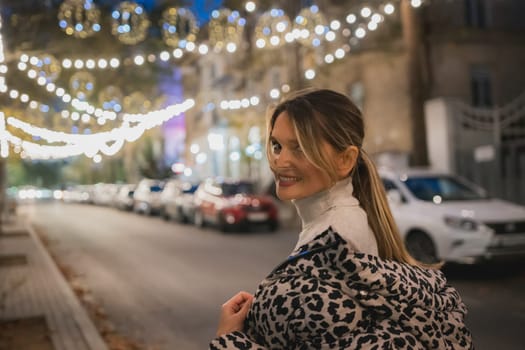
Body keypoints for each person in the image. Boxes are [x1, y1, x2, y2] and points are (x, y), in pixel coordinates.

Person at [210, 88, 473, 349]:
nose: (280, 161)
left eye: (300, 148)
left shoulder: (337, 237)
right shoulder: (332, 228)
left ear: (345, 160)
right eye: (277, 146)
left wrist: (229, 342)